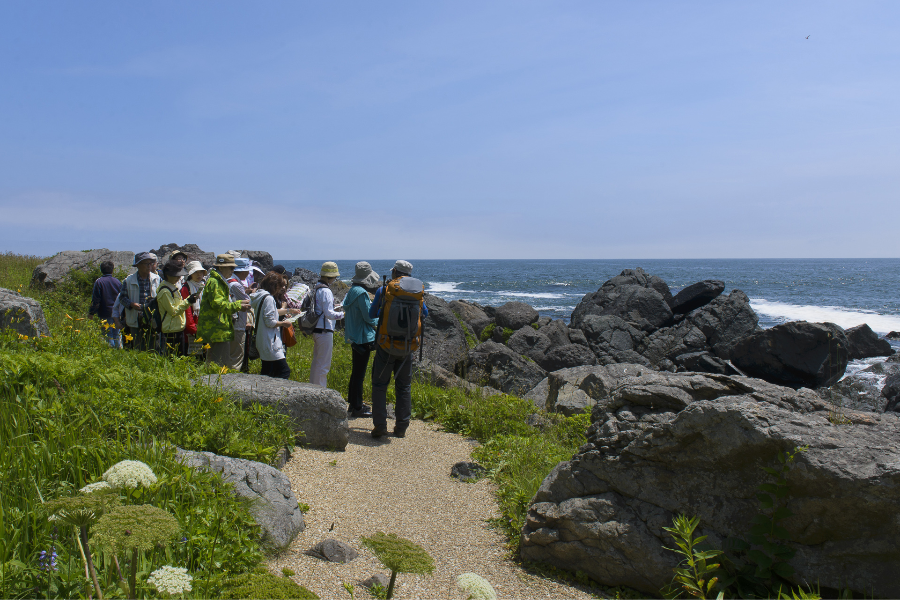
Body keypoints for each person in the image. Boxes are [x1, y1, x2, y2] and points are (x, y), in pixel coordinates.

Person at [369, 260, 428, 438]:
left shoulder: (384, 290)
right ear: (409, 275)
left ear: (394, 272)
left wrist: (385, 311)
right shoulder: (418, 293)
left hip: (386, 345)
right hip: (408, 347)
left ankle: (380, 425)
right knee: (404, 387)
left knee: (380, 385)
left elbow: (372, 314)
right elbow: (424, 314)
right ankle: (401, 427)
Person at [197, 253, 250, 368]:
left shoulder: (218, 280)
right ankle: (217, 385)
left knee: (213, 362)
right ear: (221, 267)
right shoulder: (215, 282)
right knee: (220, 363)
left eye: (233, 268)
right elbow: (218, 304)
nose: (233, 270)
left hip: (219, 329)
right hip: (217, 329)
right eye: (230, 268)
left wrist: (238, 304)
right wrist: (238, 305)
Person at [343, 262, 381, 418]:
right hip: (363, 337)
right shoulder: (362, 294)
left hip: (353, 335)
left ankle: (353, 403)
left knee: (356, 372)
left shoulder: (352, 291)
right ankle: (357, 407)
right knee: (360, 374)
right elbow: (369, 317)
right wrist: (382, 320)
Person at [250, 272, 298, 379]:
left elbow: (271, 313)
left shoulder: (260, 296)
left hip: (262, 339)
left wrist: (288, 310)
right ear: (274, 285)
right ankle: (278, 393)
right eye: (279, 285)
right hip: (270, 341)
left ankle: (262, 391)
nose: (281, 288)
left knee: (268, 370)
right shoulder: (269, 298)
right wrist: (283, 323)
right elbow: (270, 321)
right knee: (284, 371)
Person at [114, 252, 160, 351]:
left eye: (150, 264)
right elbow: (122, 298)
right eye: (146, 264)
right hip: (135, 317)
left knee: (153, 344)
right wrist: (131, 304)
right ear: (138, 265)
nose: (149, 266)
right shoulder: (129, 280)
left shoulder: (156, 279)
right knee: (138, 345)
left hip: (152, 317)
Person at [309, 262, 345, 388]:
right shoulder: (326, 291)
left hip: (316, 329)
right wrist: (343, 314)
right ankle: (320, 392)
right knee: (324, 365)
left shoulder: (316, 288)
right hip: (325, 330)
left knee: (316, 363)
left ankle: (312, 388)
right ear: (330, 276)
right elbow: (329, 314)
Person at [157, 261, 196, 356]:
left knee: (179, 358)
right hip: (170, 331)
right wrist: (188, 301)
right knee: (173, 359)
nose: (178, 278)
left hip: (177, 328)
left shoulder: (173, 287)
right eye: (175, 275)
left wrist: (188, 300)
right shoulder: (165, 291)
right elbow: (173, 311)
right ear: (167, 275)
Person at [227, 258, 254, 372]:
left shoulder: (228, 281)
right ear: (243, 271)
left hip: (230, 322)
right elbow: (248, 302)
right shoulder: (236, 285)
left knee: (229, 354)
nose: (248, 273)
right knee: (236, 356)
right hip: (237, 324)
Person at [88, 260, 123, 348]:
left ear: (101, 270)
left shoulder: (99, 282)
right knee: (117, 334)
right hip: (117, 312)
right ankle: (119, 353)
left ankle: (110, 353)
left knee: (107, 334)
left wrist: (91, 313)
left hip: (104, 312)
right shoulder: (117, 282)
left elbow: (96, 300)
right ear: (112, 270)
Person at [181, 261, 207, 356]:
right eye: (196, 272)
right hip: (192, 324)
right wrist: (192, 327)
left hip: (203, 323)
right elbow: (187, 310)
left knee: (203, 351)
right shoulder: (185, 288)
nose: (199, 274)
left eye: (200, 272)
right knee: (193, 352)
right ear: (190, 274)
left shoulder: (203, 286)